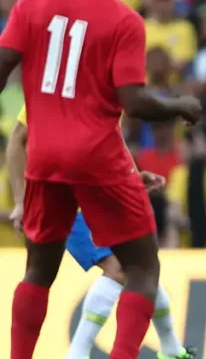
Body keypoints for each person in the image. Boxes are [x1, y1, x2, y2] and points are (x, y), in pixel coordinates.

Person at [0, 0, 203, 359]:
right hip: (97, 158)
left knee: (37, 271)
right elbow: (133, 103)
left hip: (45, 158)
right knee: (142, 269)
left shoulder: (30, 6)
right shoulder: (124, 21)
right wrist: (179, 104)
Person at [6, 107, 195, 359]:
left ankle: (172, 350)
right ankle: (78, 353)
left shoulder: (103, 86)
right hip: (68, 201)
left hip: (105, 195)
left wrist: (131, 178)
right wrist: (20, 200)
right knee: (122, 269)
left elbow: (110, 140)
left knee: (140, 268)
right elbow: (18, 138)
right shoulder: (54, 85)